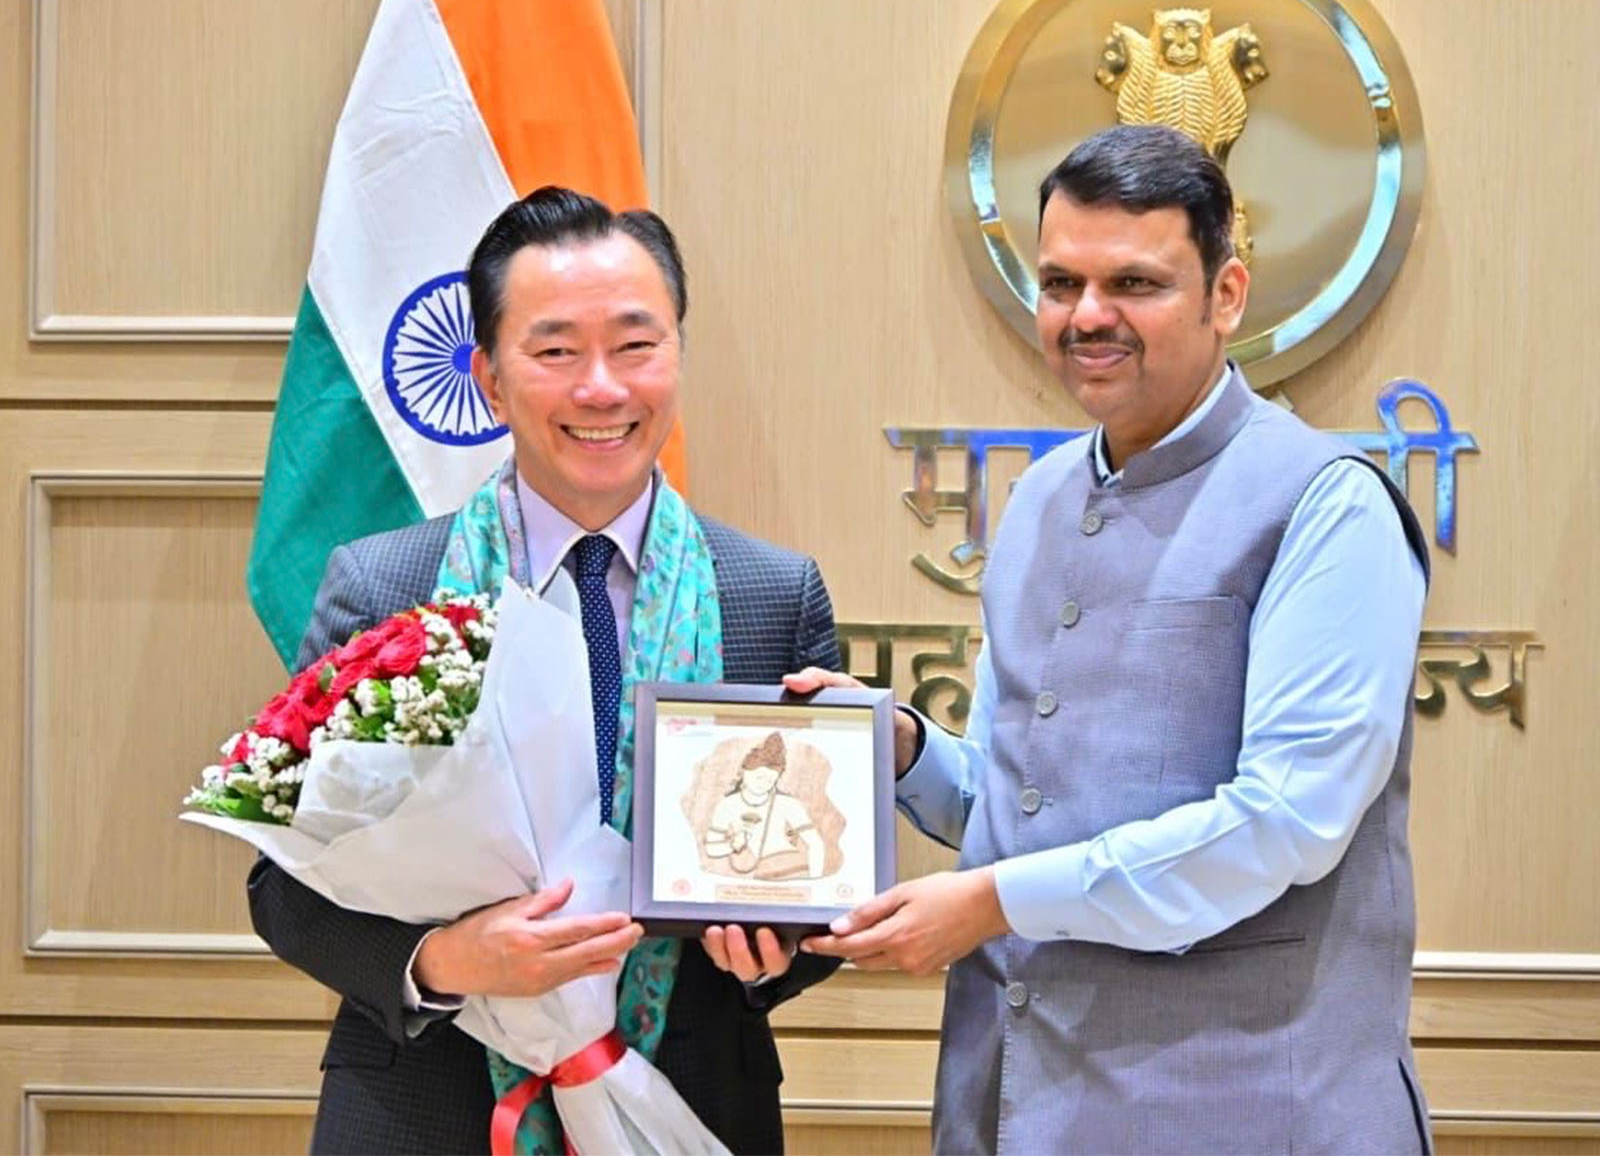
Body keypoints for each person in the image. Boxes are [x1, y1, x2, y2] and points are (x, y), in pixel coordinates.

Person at [792, 125, 1433, 1154]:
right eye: (1061, 283)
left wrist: (992, 902)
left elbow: (1285, 823)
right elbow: (1021, 808)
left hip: (1252, 1116)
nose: (1088, 316)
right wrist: (902, 752)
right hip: (1015, 1107)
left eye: (1134, 283)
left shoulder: (1328, 506)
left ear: (1227, 295)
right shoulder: (1041, 498)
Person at [249, 187, 840, 1154]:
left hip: (691, 1104)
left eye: (636, 345)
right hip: (424, 1112)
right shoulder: (385, 587)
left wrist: (778, 952)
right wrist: (446, 960)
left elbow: (821, 903)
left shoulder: (773, 595)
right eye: (556, 351)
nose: (601, 388)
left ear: (677, 355)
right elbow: (283, 888)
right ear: (488, 377)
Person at [704, 732, 824, 880]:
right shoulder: (727, 805)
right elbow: (711, 848)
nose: (763, 784)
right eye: (759, 776)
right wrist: (734, 845)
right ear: (744, 772)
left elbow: (816, 843)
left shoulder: (787, 803)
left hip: (796, 867)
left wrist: (815, 881)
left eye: (770, 780)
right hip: (763, 872)